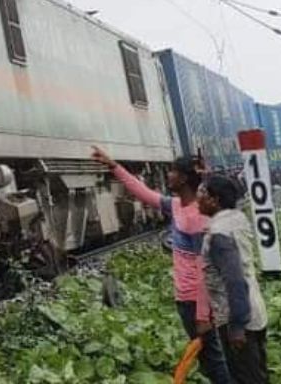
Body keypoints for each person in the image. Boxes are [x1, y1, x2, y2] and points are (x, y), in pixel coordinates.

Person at [92, 147, 231, 384]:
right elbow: (144, 193)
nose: (168, 176)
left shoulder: (197, 217)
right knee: (209, 358)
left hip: (194, 301)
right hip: (185, 298)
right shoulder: (176, 205)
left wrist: (202, 314)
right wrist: (114, 166)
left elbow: (205, 269)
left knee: (213, 359)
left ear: (184, 178)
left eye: (172, 172)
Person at [197, 175, 269, 384]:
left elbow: (234, 280)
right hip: (254, 310)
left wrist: (236, 326)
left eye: (202, 193)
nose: (197, 199)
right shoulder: (237, 219)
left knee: (247, 378)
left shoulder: (219, 234)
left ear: (214, 200)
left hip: (238, 318)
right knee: (258, 375)